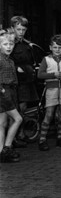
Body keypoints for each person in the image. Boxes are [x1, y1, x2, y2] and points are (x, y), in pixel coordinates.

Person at [37, 34, 61, 151]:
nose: (57, 50)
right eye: (55, 47)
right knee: (49, 114)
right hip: (51, 89)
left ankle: (60, 138)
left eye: (60, 48)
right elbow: (40, 74)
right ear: (50, 47)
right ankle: (42, 140)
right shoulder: (46, 60)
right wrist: (53, 75)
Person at [9, 16, 39, 148]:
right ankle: (13, 137)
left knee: (24, 108)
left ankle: (20, 134)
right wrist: (16, 68)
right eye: (18, 29)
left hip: (27, 80)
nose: (21, 32)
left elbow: (31, 60)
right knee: (15, 109)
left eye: (23, 29)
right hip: (15, 81)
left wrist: (32, 69)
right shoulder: (9, 43)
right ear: (13, 29)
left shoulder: (27, 44)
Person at [0, 29, 23, 163]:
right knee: (18, 119)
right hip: (3, 93)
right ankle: (7, 148)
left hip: (10, 92)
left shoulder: (10, 60)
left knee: (2, 123)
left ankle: (1, 152)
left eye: (11, 44)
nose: (9, 47)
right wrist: (2, 91)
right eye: (5, 44)